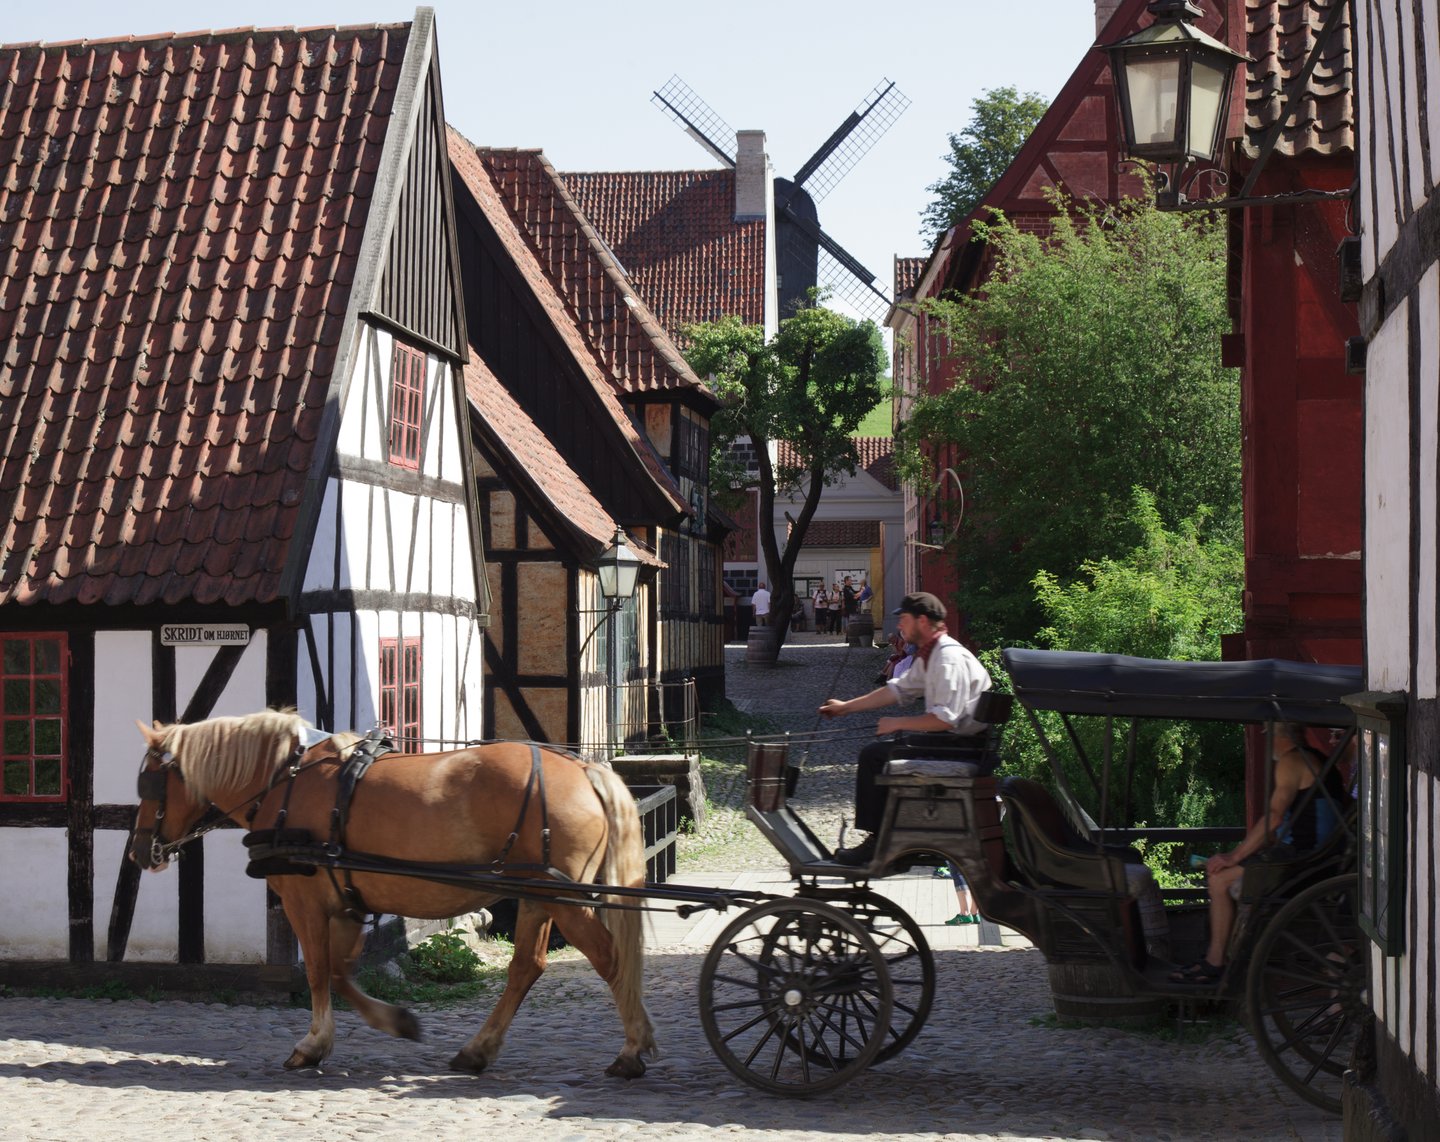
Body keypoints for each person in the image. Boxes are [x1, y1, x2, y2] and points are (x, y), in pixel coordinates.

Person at [817, 591, 992, 866]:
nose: (900, 625)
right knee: (883, 750)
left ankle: (880, 842)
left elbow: (945, 720)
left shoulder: (947, 658)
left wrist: (897, 722)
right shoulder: (932, 654)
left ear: (922, 621)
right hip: (953, 743)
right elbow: (896, 690)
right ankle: (895, 838)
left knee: (874, 756)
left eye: (904, 619)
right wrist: (845, 707)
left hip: (962, 748)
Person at [1170, 722, 1350, 983]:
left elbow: (1273, 817)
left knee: (1218, 880)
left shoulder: (1292, 761)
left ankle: (1215, 962)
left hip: (1303, 858)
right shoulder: (1317, 759)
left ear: (1280, 736)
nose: (1267, 743)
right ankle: (1221, 955)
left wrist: (1234, 856)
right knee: (1225, 876)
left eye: (1268, 735)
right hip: (1315, 855)